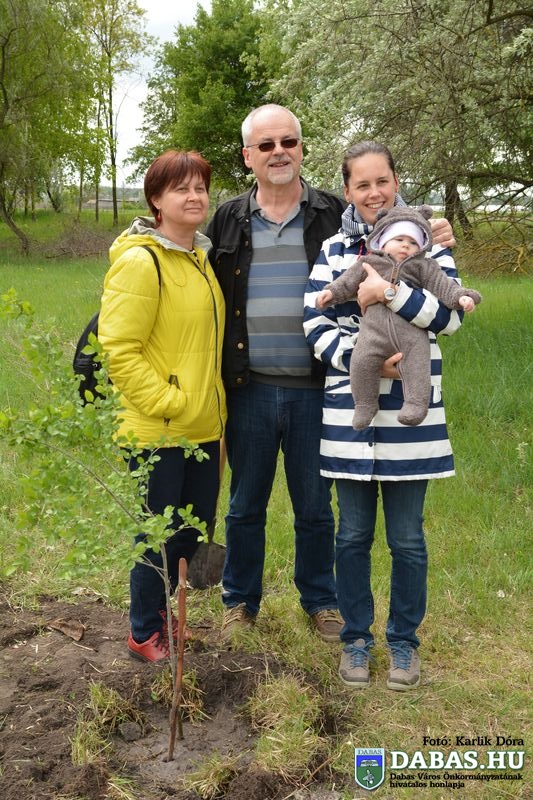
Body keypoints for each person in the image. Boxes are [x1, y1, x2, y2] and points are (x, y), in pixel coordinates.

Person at [206, 106, 455, 642]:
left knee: (316, 508)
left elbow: (391, 223)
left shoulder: (332, 214)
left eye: (288, 141)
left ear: (301, 148)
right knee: (245, 504)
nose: (279, 152)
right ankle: (240, 601)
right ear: (248, 156)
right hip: (249, 386)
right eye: (266, 145)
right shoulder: (227, 218)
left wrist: (432, 231)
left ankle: (320, 601)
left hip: (314, 388)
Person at [304, 140, 464, 690]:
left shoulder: (425, 241)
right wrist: (364, 360)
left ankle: (403, 644)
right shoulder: (333, 249)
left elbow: (450, 318)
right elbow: (315, 320)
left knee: (407, 540)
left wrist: (389, 294)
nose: (374, 193)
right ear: (347, 191)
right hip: (350, 414)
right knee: (351, 537)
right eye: (362, 184)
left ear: (396, 181)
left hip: (411, 423)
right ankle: (355, 640)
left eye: (382, 181)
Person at [98, 150, 226, 662]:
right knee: (156, 535)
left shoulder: (200, 259)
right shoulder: (141, 262)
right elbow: (119, 350)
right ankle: (143, 631)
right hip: (158, 429)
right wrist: (170, 403)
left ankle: (164, 616)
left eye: (200, 188)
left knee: (189, 532)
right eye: (181, 189)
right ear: (156, 199)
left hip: (203, 427)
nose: (194, 197)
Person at [316, 204, 481, 429]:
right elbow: (346, 282)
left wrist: (462, 297)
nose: (405, 245)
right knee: (361, 361)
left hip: (411, 334)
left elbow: (444, 286)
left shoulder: (424, 266)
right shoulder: (368, 262)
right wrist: (331, 293)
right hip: (373, 332)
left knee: (418, 366)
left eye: (413, 242)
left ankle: (416, 405)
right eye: (399, 239)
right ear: (382, 241)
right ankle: (365, 404)